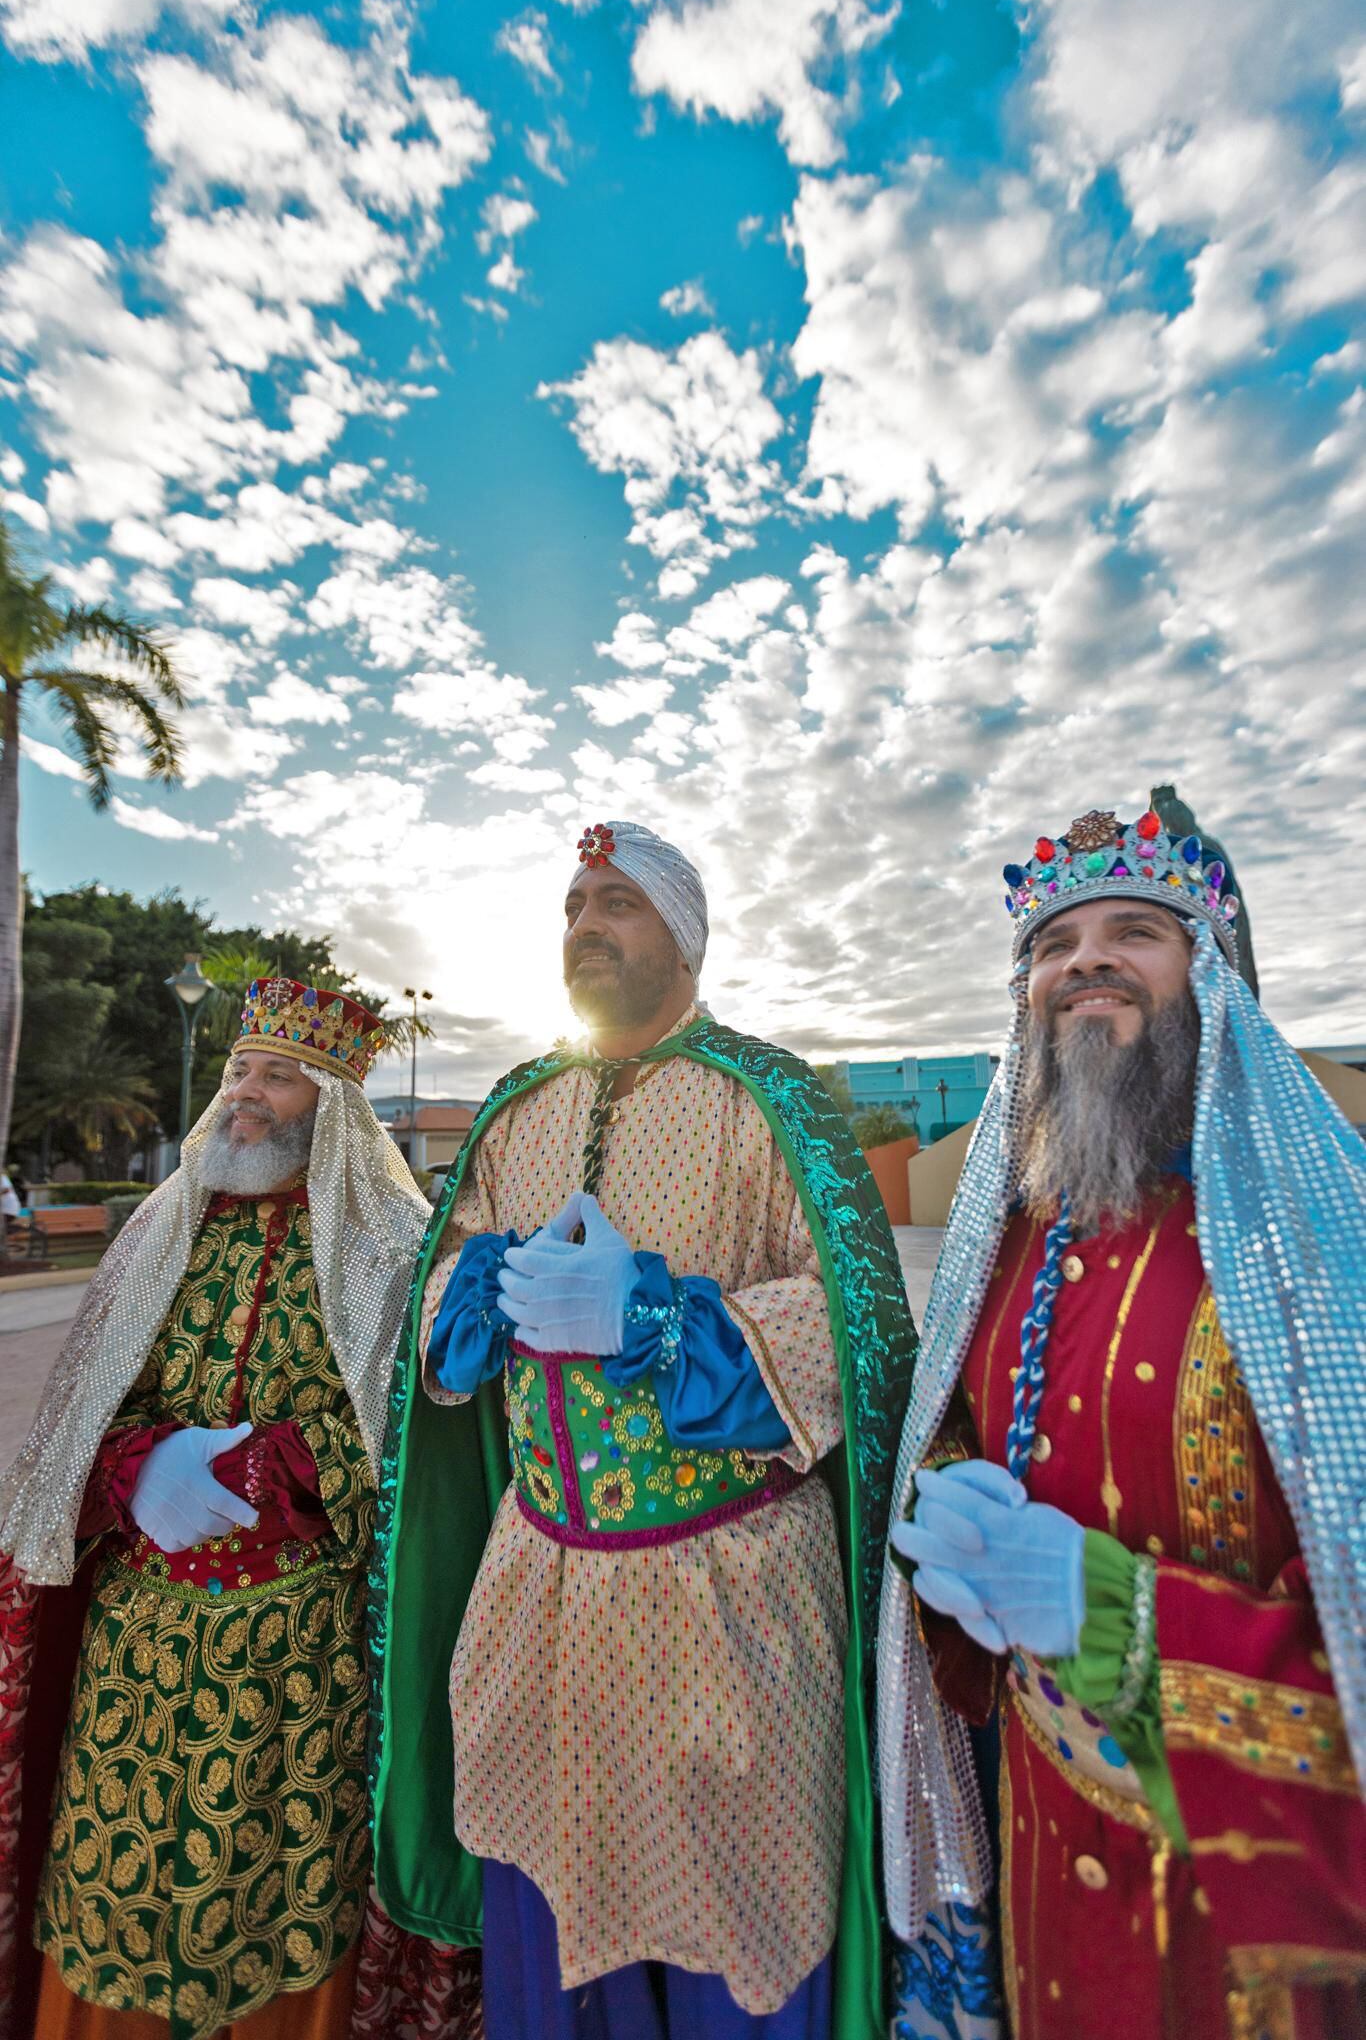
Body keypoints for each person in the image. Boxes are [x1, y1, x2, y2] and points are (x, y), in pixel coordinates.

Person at [370, 819, 919, 2040]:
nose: (584, 923)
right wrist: (486, 1284)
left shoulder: (769, 1098)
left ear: (684, 935)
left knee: (733, 1942)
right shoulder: (517, 1107)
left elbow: (854, 1332)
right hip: (534, 1596)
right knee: (548, 1933)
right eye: (573, 903)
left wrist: (653, 1317)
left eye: (615, 901)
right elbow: (442, 1325)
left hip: (723, 1607)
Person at [878, 797, 1366, 2040]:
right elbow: (958, 1425)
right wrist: (941, 1504)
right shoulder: (1007, 1244)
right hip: (1045, 1864)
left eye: (1133, 931)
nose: (1083, 959)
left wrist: (1124, 1622)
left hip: (1247, 1927)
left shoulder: (1316, 1246)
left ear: (1212, 980)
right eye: (1053, 942)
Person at [0, 978, 436, 2040]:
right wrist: (140, 1464)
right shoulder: (161, 1230)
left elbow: (409, 1431)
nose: (244, 1092)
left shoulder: (390, 1248)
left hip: (298, 1658)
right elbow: (83, 1414)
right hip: (136, 1652)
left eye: (277, 1074)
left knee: (278, 1903)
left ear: (329, 1103)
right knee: (115, 1883)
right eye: (240, 1067)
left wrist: (259, 1475)